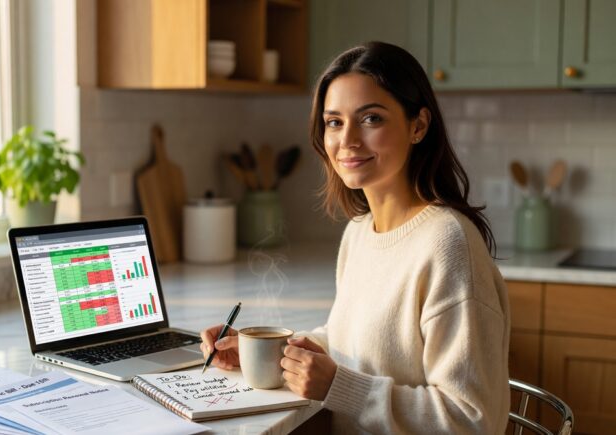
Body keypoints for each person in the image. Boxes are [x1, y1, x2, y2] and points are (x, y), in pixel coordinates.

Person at [200, 41, 510, 434]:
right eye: (334, 122)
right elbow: (355, 344)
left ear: (418, 125)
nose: (347, 140)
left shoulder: (448, 244)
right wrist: (260, 350)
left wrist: (337, 386)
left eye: (371, 119)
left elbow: (471, 420)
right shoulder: (360, 232)